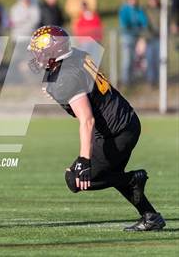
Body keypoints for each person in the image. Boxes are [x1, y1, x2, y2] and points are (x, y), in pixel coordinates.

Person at [27, 25, 165, 232]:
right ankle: (150, 216)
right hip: (125, 121)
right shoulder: (77, 56)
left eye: (39, 48)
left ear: (54, 49)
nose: (36, 54)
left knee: (76, 179)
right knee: (112, 172)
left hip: (115, 131)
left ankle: (132, 179)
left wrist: (84, 160)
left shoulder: (65, 77)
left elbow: (87, 120)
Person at [118, 0, 148, 86]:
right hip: (127, 38)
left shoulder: (138, 9)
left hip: (136, 37)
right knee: (127, 59)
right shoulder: (124, 10)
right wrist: (137, 26)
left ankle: (133, 79)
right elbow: (125, 23)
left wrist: (139, 27)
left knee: (135, 59)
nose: (133, 1)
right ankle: (125, 80)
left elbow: (144, 21)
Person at [144, 0, 160, 87]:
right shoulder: (145, 11)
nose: (153, 1)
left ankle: (158, 79)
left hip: (159, 39)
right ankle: (151, 80)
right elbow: (144, 24)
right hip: (149, 39)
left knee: (159, 60)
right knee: (150, 60)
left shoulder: (161, 10)